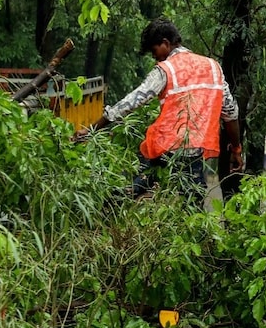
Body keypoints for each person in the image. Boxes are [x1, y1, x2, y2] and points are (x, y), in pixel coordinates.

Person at [75, 18, 243, 202]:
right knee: (194, 208)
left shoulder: (166, 69)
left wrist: (92, 129)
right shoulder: (213, 67)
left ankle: (104, 218)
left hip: (162, 148)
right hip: (193, 152)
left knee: (128, 191)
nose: (155, 58)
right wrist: (236, 148)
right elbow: (231, 113)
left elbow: (132, 101)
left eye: (154, 52)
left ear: (165, 43)